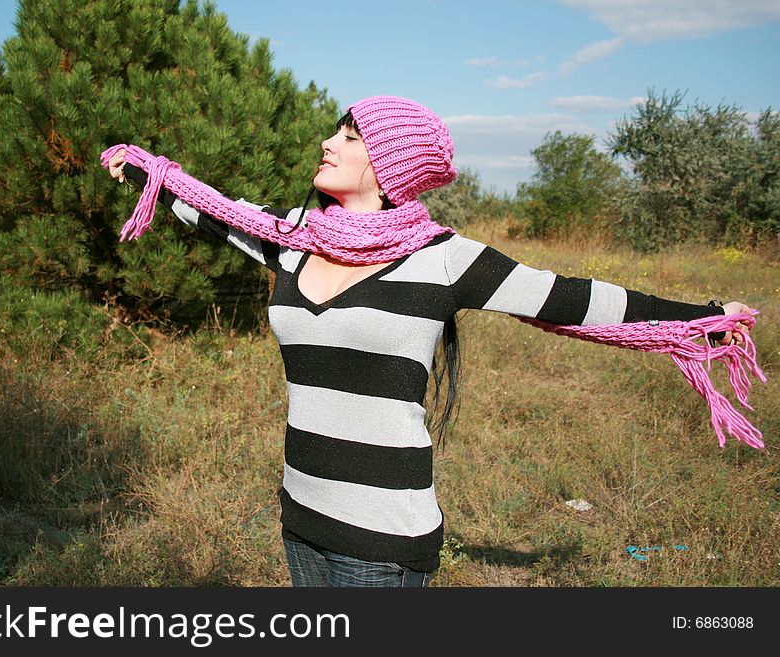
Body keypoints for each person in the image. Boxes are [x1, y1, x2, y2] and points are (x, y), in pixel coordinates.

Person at [104, 96, 755, 587]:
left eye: (349, 135)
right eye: (336, 130)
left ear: (389, 163)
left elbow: (574, 299)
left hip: (382, 544)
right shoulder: (294, 239)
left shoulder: (443, 259)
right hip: (299, 517)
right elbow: (216, 210)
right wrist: (146, 170)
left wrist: (705, 317)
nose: (329, 142)